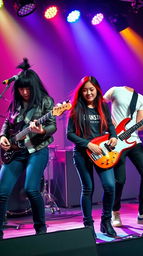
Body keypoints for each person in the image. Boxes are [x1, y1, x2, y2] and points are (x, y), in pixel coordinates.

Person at [0, 58, 56, 239]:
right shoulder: (15, 103)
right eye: (21, 89)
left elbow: (52, 126)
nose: (24, 92)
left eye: (27, 88)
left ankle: (41, 230)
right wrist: (2, 136)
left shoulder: (46, 102)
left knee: (31, 189)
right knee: (1, 192)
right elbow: (7, 123)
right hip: (15, 152)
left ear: (34, 86)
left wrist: (42, 129)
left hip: (37, 150)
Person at [67, 76, 118, 237]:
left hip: (102, 153)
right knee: (88, 189)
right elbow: (69, 134)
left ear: (97, 90)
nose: (88, 93)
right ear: (80, 92)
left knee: (110, 186)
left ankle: (106, 221)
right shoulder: (75, 108)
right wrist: (88, 144)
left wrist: (114, 136)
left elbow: (110, 125)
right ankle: (88, 226)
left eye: (91, 89)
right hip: (82, 153)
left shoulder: (103, 105)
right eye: (85, 90)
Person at [104, 86, 143, 228]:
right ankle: (115, 211)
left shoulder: (140, 98)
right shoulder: (115, 91)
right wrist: (111, 125)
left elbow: (139, 124)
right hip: (117, 140)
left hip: (134, 140)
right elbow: (100, 106)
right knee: (120, 180)